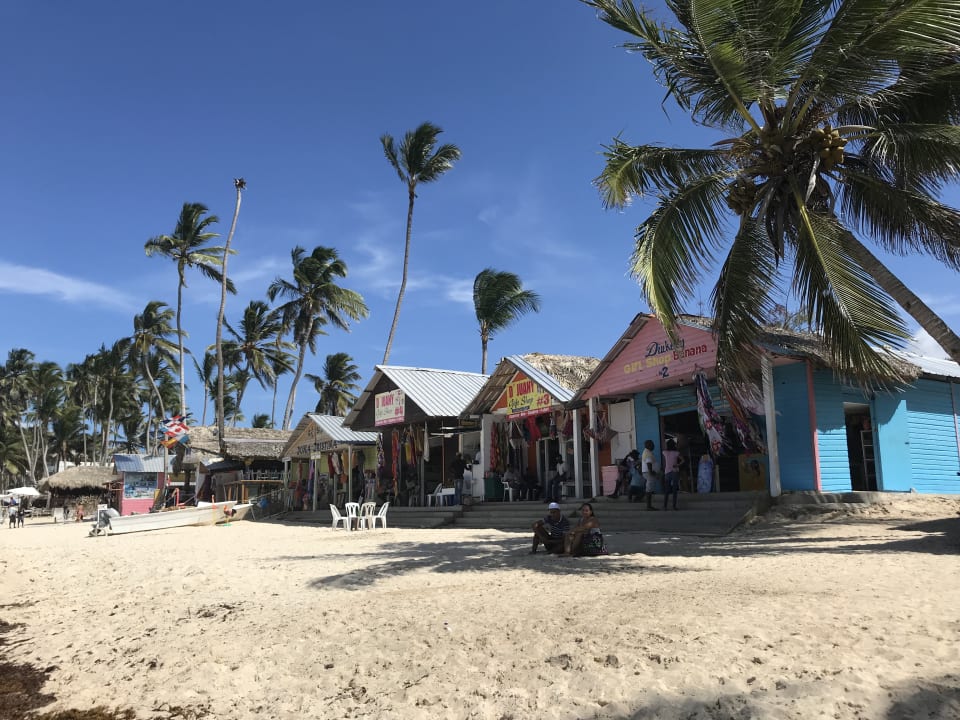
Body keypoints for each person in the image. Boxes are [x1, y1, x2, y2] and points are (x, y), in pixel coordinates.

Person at [662, 438, 683, 510]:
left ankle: (665, 506)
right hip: (675, 471)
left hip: (667, 472)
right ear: (674, 445)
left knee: (667, 491)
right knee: (674, 490)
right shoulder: (676, 453)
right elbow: (683, 460)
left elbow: (664, 447)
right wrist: (678, 465)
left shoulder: (665, 452)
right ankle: (674, 506)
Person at [641, 439, 659, 510]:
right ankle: (649, 506)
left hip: (648, 473)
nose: (654, 446)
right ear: (649, 445)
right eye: (652, 444)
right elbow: (649, 463)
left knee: (649, 489)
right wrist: (651, 472)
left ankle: (649, 505)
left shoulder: (647, 452)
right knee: (649, 490)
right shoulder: (648, 453)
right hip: (649, 473)